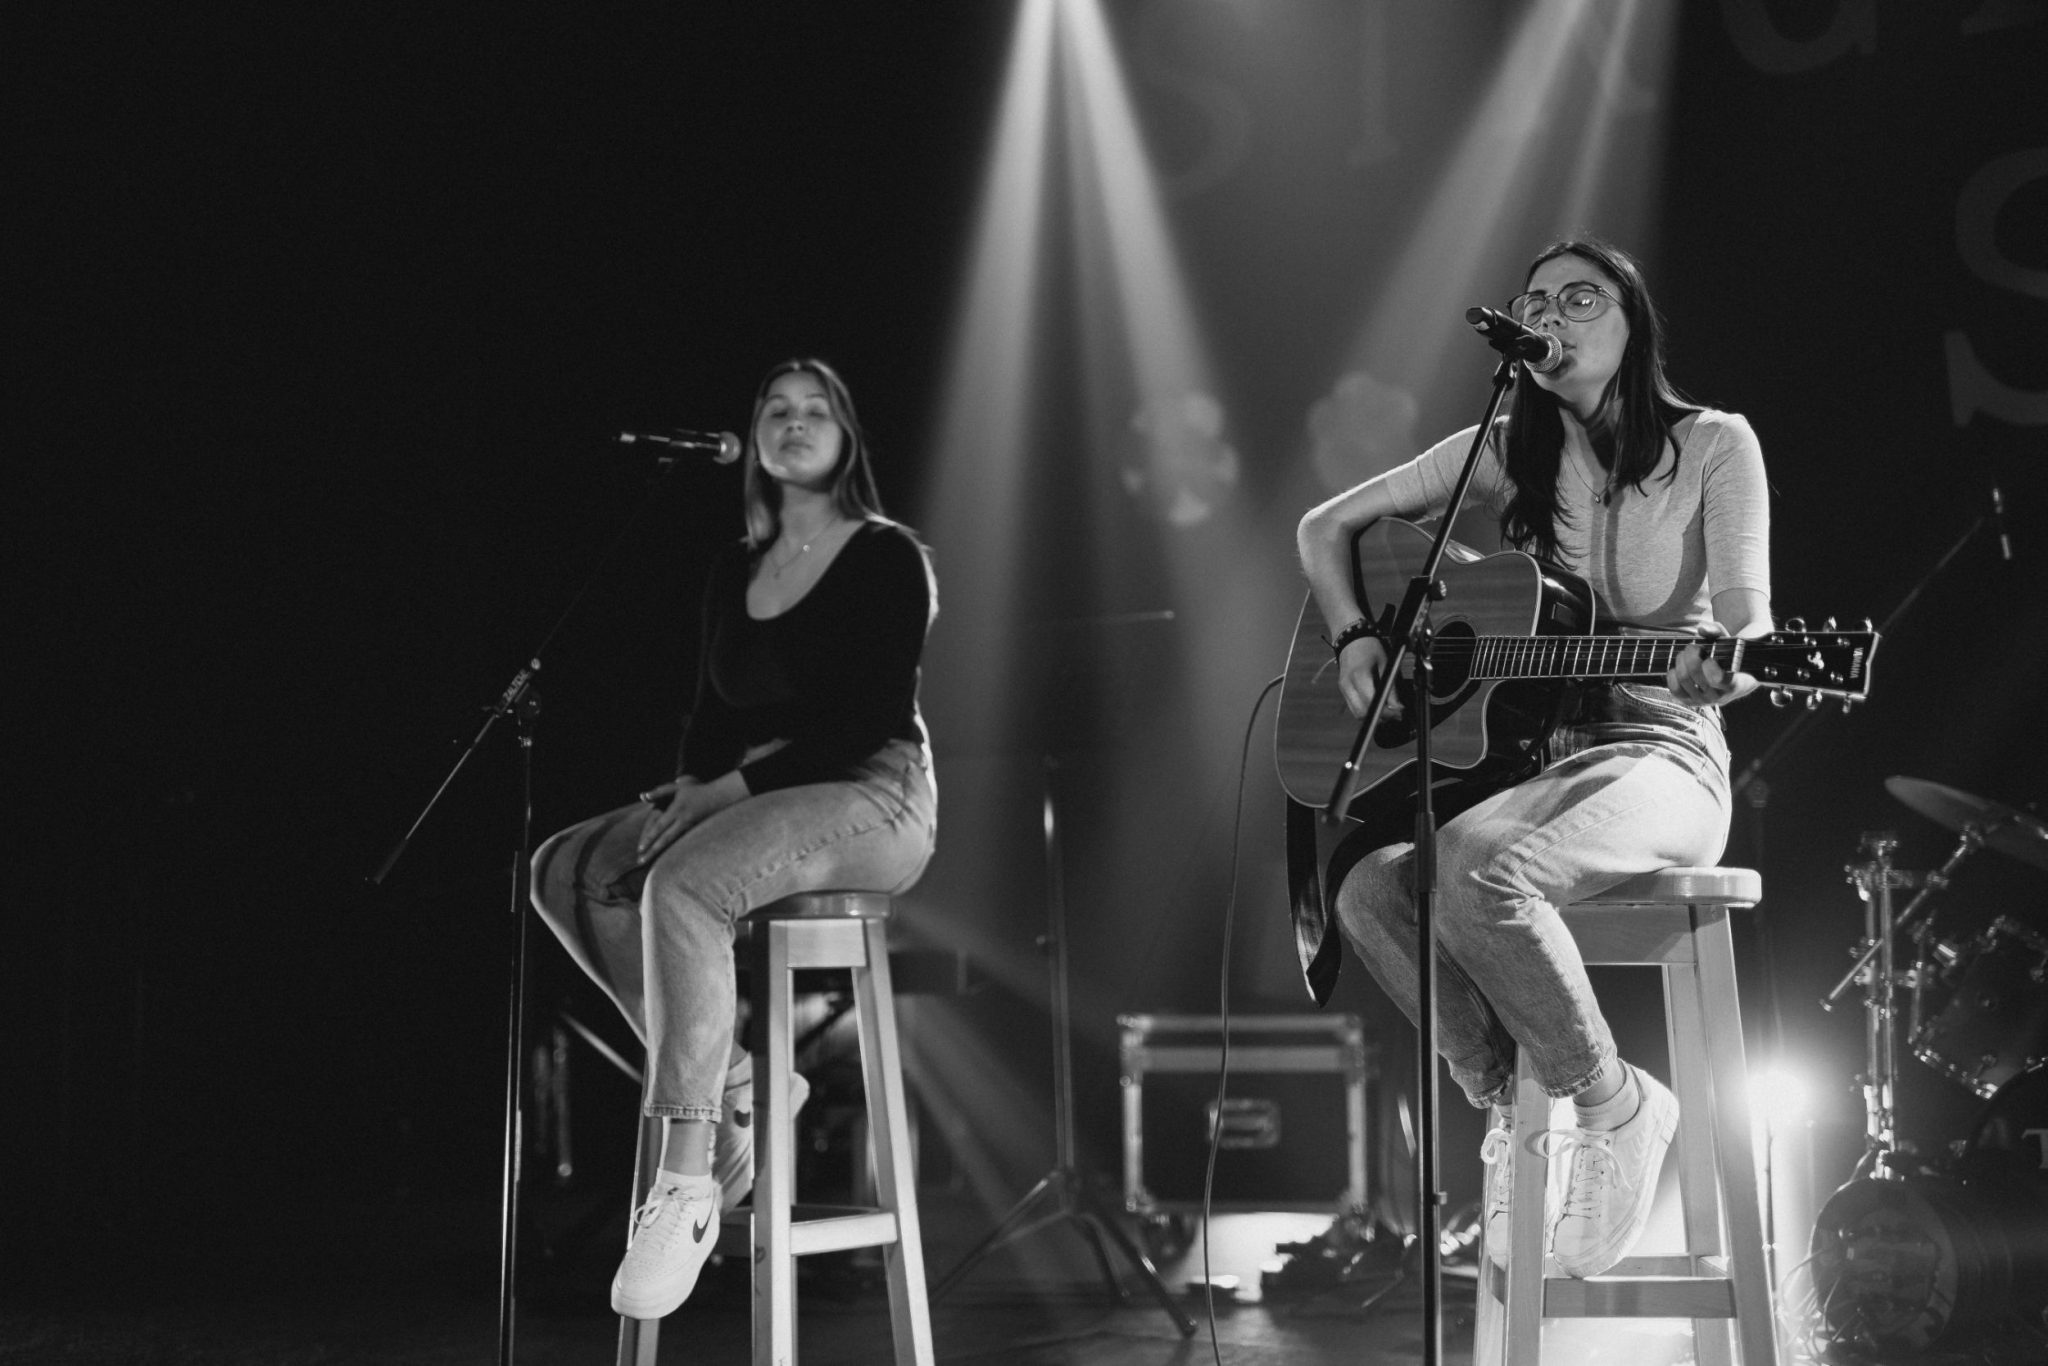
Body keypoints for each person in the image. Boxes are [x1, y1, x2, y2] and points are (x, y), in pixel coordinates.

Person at [1294, 239, 1771, 1276]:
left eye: (1580, 298)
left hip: (1663, 750)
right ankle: (1512, 1107)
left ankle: (1613, 1105)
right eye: (1536, 300)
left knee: (1476, 867)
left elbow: (1748, 626)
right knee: (1368, 890)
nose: (1551, 314)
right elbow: (1325, 527)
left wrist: (1722, 669)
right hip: (1533, 762)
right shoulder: (1508, 447)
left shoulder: (1712, 443)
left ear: (1632, 322)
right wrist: (1355, 636)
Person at [531, 357, 939, 1319]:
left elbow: (865, 718)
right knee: (567, 868)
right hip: (756, 792)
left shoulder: (885, 555)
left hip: (874, 791)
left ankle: (685, 1184)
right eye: (776, 410)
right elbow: (712, 718)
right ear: (754, 439)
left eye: (816, 411)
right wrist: (692, 788)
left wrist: (727, 791)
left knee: (684, 883)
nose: (795, 422)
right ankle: (745, 1078)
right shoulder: (735, 569)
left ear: (846, 438)